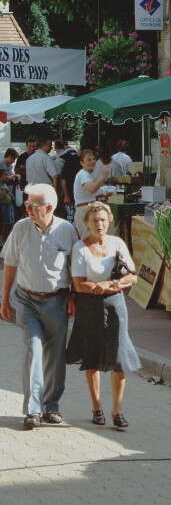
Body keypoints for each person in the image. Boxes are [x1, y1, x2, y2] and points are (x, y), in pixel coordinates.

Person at [0, 184, 77, 429]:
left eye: (33, 205)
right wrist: (4, 300)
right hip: (26, 299)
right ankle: (32, 409)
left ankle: (51, 407)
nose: (27, 209)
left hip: (57, 299)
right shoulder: (21, 228)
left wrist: (74, 298)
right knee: (33, 349)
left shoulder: (66, 230)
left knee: (55, 355)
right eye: (27, 204)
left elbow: (75, 267)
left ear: (49, 208)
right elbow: (10, 264)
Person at [66, 201, 139, 429]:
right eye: (95, 220)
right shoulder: (80, 247)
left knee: (119, 357)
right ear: (86, 223)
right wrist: (100, 286)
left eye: (103, 220)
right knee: (93, 357)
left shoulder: (117, 243)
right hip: (89, 307)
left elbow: (133, 276)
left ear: (109, 222)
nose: (99, 224)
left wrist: (109, 284)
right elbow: (79, 284)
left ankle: (117, 410)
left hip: (115, 305)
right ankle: (97, 407)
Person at [73, 149, 110, 239]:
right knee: (89, 241)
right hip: (84, 211)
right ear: (82, 163)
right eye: (89, 160)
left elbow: (93, 192)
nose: (92, 161)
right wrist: (102, 176)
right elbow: (92, 189)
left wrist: (105, 192)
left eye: (93, 159)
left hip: (88, 209)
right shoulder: (83, 174)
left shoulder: (87, 174)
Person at [59, 144, 81, 224]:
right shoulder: (71, 161)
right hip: (71, 196)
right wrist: (66, 195)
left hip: (76, 197)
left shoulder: (73, 161)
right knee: (71, 219)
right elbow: (63, 179)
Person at [0, 168, 15, 244]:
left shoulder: (4, 184)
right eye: (5, 175)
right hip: (3, 207)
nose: (7, 176)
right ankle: (2, 240)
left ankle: (4, 240)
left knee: (9, 224)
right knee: (5, 225)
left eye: (7, 174)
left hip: (8, 207)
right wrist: (5, 191)